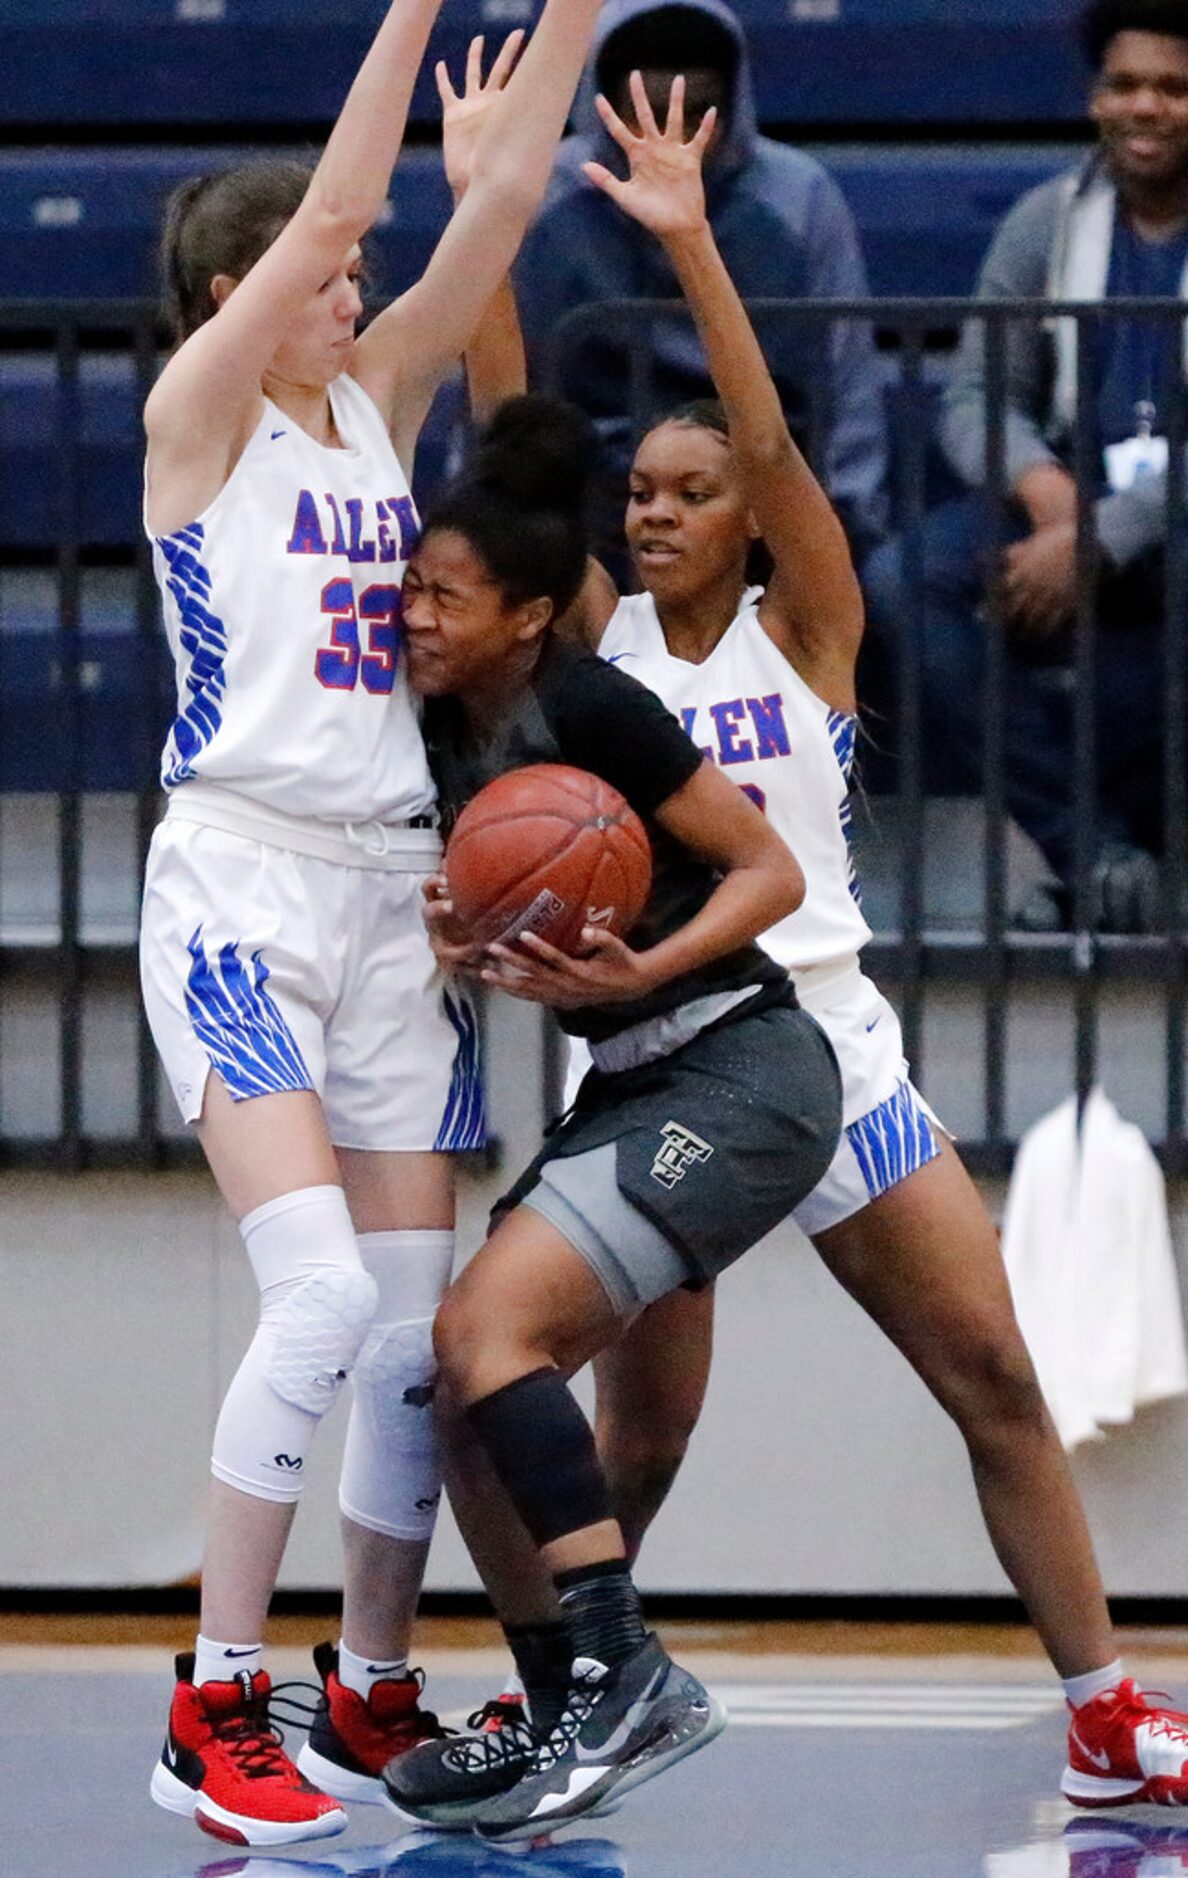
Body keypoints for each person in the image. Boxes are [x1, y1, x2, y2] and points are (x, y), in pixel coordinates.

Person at [385, 71, 1188, 1836]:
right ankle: (572, 1698)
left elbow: (772, 438)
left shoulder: (802, 628)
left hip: (826, 1052)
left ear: (742, 516)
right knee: (640, 1441)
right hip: (666, 1055)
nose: (657, 511)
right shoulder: (595, 657)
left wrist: (686, 245)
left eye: (689, 491)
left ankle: (1104, 1707)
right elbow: (509, 412)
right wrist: (491, 217)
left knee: (989, 1376)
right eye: (642, 494)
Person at [137, 0, 603, 1846]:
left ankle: (371, 1677)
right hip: (243, 886)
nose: (362, 284)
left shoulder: (364, 405)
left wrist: (563, 18)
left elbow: (483, 228)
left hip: (388, 888)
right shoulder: (201, 416)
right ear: (253, 287)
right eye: (325, 272)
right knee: (319, 1291)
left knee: (412, 1330)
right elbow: (341, 217)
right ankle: (209, 1698)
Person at [390, 381, 843, 1834]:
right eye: (408, 589)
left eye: (444, 596)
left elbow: (767, 868)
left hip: (745, 1064)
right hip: (642, 1077)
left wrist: (644, 956)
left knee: (487, 1330)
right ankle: (558, 1707)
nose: (414, 615)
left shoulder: (591, 704)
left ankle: (626, 1666)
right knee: (458, 1392)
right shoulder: (437, 729)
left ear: (527, 613)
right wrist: (466, 940)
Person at [863, 0, 1188, 933]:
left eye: (1173, 88)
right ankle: (1092, 851)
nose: (1147, 108)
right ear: (1095, 99)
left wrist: (1102, 536)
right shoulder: (1047, 220)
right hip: (1069, 487)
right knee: (906, 577)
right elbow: (975, 396)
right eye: (1126, 85)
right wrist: (1051, 499)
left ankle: (1129, 868)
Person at [513, 0, 888, 575]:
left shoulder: (800, 197)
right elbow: (502, 379)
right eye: (649, 111)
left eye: (699, 112)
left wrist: (844, 516)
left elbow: (847, 375)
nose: (673, 136)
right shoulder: (545, 195)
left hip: (759, 500)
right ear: (604, 107)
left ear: (733, 108)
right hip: (587, 504)